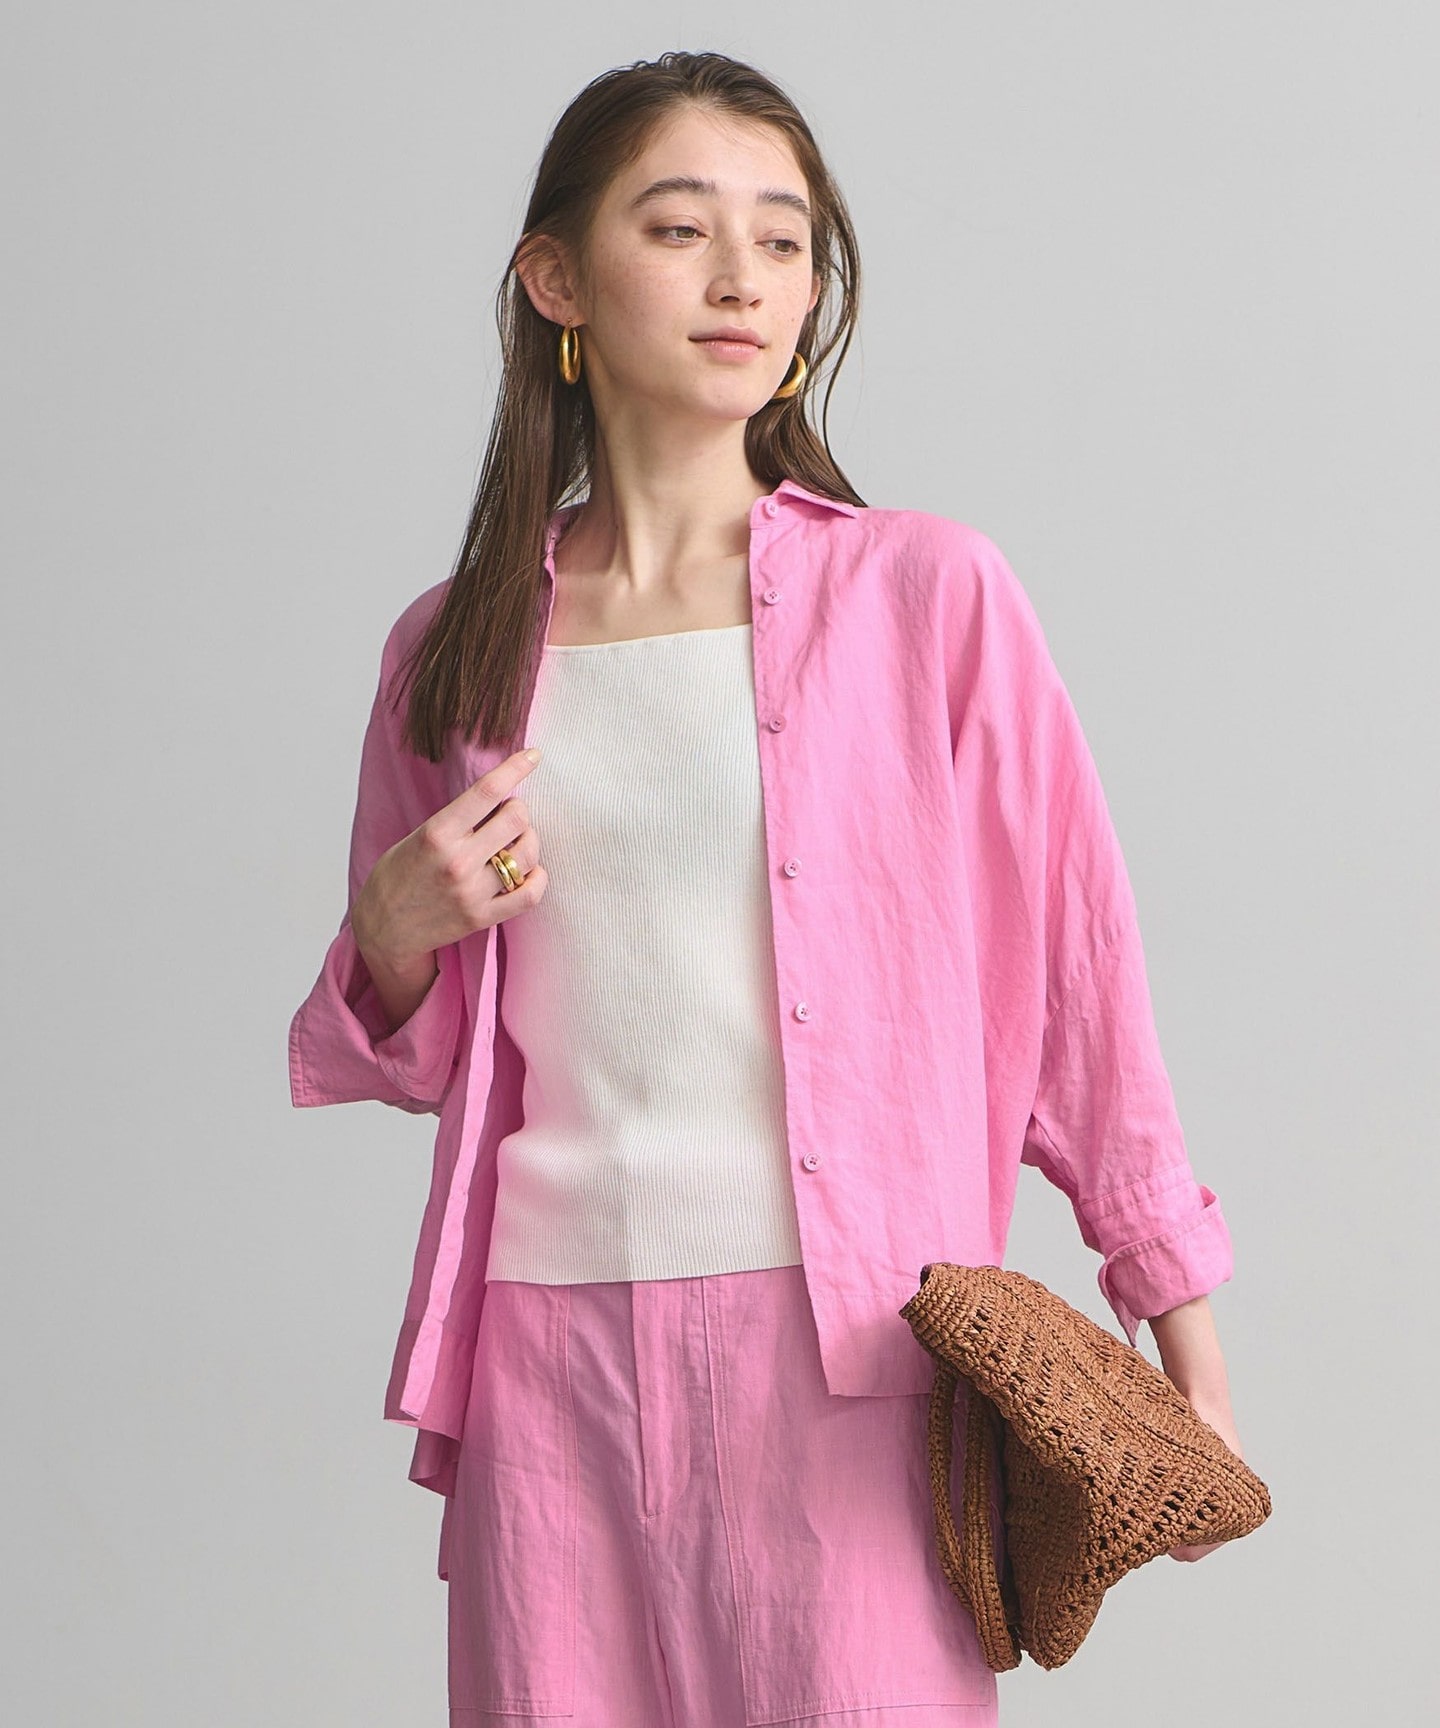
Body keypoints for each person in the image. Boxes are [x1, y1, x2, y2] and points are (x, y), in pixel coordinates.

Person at [288, 49, 1244, 1727]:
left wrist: (1186, 1347)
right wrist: (386, 934)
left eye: (785, 240)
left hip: (852, 1352)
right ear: (557, 279)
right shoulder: (452, 649)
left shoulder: (926, 597)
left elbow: (1082, 980)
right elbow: (417, 1046)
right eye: (681, 228)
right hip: (543, 1356)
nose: (743, 276)